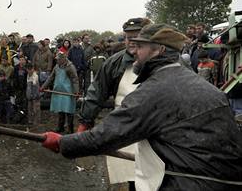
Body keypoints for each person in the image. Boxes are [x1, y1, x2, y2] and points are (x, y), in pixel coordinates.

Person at [41, 24, 242, 190]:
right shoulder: (203, 86)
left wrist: (63, 143)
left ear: (159, 49)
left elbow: (106, 135)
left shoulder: (155, 89)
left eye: (140, 46)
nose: (134, 51)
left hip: (186, 182)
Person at [77, 17, 151, 188]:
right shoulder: (114, 63)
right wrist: (85, 122)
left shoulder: (162, 60)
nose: (131, 41)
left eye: (137, 36)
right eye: (128, 37)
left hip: (155, 129)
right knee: (132, 176)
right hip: (126, 129)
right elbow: (96, 92)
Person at [41, 52, 79, 134]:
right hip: (58, 91)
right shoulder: (56, 67)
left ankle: (70, 129)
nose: (57, 61)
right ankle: (60, 127)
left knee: (68, 110)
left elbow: (75, 80)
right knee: (60, 110)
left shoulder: (70, 67)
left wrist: (76, 91)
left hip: (68, 92)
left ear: (63, 59)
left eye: (58, 59)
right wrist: (43, 87)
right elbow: (51, 78)